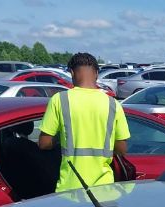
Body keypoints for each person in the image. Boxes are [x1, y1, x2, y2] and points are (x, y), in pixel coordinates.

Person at [38, 52, 130, 192]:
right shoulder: (113, 104)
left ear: (72, 72)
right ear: (97, 73)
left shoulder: (60, 100)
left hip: (69, 189)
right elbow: (122, 149)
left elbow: (44, 144)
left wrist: (61, 138)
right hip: (104, 189)